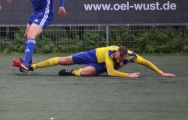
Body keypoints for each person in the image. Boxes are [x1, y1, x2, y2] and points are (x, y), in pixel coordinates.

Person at [7, 0, 66, 73]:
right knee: (26, 36)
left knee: (31, 35)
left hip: (45, 13)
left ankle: (25, 64)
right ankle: (28, 63)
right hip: (35, 12)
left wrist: (61, 6)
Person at [29, 45, 175, 77]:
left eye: (119, 59)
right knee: (64, 60)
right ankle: (33, 66)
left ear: (125, 56)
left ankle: (72, 72)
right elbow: (112, 72)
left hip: (101, 66)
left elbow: (147, 63)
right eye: (117, 57)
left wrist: (161, 73)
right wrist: (128, 75)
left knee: (86, 73)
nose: (117, 59)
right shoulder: (111, 53)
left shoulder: (132, 56)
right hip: (93, 55)